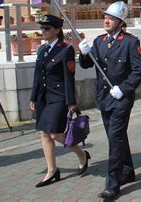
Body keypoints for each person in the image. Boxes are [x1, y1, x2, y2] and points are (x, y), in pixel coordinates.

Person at [78, 1, 141, 199]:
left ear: (120, 22)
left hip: (121, 99)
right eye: (105, 17)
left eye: (111, 18)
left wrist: (124, 88)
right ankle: (128, 171)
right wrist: (83, 53)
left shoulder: (130, 42)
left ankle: (113, 184)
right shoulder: (99, 41)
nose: (106, 20)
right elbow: (86, 65)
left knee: (115, 140)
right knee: (116, 136)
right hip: (104, 98)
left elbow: (140, 69)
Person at [30, 14, 90, 188]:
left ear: (57, 30)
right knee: (44, 133)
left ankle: (82, 155)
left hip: (59, 98)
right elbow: (37, 75)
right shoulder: (42, 50)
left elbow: (68, 77)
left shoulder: (66, 49)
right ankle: (52, 170)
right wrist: (33, 96)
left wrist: (71, 102)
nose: (43, 31)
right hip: (43, 98)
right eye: (42, 28)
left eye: (47, 28)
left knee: (56, 134)